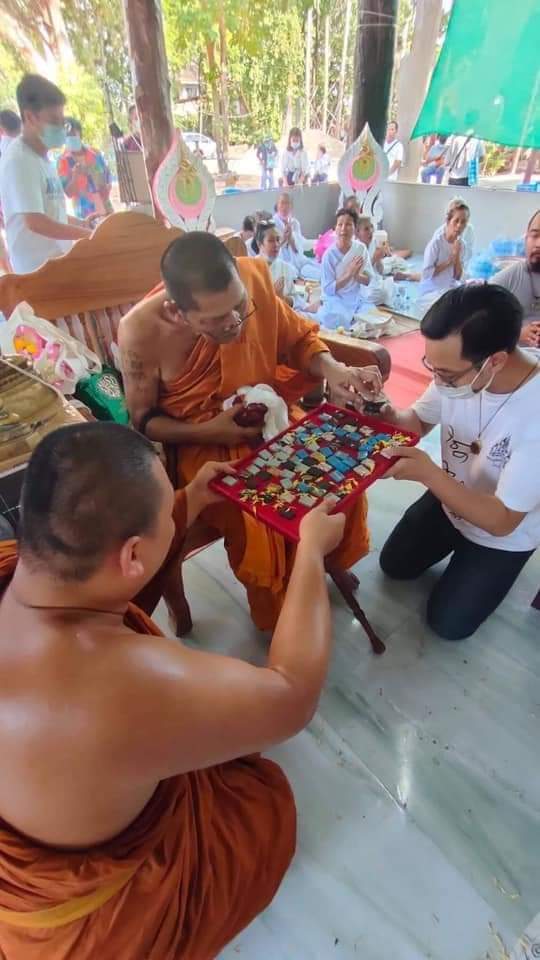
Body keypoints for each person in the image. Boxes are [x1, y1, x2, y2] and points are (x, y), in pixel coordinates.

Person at [0, 420, 348, 956]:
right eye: (168, 513)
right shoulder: (119, 687)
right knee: (258, 803)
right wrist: (309, 554)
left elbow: (119, 575)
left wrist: (189, 501)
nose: (175, 515)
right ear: (133, 555)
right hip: (101, 924)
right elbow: (291, 694)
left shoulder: (18, 572)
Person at [118, 232, 383, 632]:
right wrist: (213, 431)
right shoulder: (141, 331)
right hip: (200, 442)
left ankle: (328, 560)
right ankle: (282, 611)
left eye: (239, 307)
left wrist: (335, 370)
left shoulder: (252, 279)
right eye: (216, 321)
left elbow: (299, 339)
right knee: (260, 514)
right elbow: (142, 420)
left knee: (336, 470)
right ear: (177, 312)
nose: (235, 324)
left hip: (269, 416)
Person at [375, 284, 539, 641]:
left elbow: (502, 520)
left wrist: (428, 474)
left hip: (501, 533)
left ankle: (494, 569)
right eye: (431, 366)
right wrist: (380, 406)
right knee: (394, 565)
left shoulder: (535, 410)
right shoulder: (458, 373)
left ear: (495, 360)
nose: (437, 379)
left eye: (446, 374)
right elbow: (415, 423)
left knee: (447, 625)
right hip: (452, 498)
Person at [0, 74, 92, 275]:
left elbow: (52, 212)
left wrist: (84, 224)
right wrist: (90, 236)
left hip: (57, 265)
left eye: (62, 121)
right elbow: (36, 222)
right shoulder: (19, 160)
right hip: (38, 275)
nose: (61, 128)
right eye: (54, 121)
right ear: (31, 117)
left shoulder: (42, 157)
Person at [318, 208, 385, 329]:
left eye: (348, 224)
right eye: (340, 224)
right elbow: (328, 289)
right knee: (336, 320)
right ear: (336, 228)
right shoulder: (329, 255)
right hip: (337, 299)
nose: (344, 228)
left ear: (354, 229)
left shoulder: (360, 249)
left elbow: (369, 279)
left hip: (357, 299)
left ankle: (354, 319)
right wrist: (349, 274)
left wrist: (356, 276)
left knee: (375, 321)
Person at [491, 210, 540, 348]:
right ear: (526, 239)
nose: (538, 244)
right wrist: (517, 334)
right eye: (534, 235)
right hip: (514, 361)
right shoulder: (505, 280)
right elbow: (478, 326)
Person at [252, 219, 317, 313]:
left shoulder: (287, 268)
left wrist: (283, 298)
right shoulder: (250, 268)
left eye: (278, 239)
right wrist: (272, 297)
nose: (276, 244)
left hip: (284, 317)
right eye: (271, 240)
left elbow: (299, 297)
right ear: (259, 244)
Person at [57, 117, 113, 220]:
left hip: (107, 210)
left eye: (73, 134)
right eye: (67, 135)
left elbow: (108, 176)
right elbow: (68, 193)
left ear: (80, 134)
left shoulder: (95, 153)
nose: (70, 137)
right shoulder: (62, 161)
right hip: (86, 216)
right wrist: (75, 178)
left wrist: (108, 187)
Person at [419, 200, 470, 296]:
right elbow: (426, 274)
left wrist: (457, 256)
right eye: (456, 221)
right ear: (448, 221)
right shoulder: (436, 243)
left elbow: (457, 277)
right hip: (432, 289)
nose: (459, 225)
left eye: (463, 222)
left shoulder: (462, 245)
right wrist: (448, 262)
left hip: (450, 288)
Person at [273, 191, 320, 280]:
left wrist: (291, 238)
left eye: (287, 203)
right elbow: (273, 249)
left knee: (315, 269)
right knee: (292, 272)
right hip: (282, 262)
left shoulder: (295, 223)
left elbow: (297, 250)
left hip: (299, 261)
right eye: (282, 203)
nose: (284, 207)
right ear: (277, 205)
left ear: (291, 207)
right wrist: (284, 238)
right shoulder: (272, 224)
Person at [355, 215, 416, 280]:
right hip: (367, 281)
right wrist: (374, 259)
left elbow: (380, 271)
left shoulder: (374, 242)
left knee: (402, 256)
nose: (371, 231)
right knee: (393, 259)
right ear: (357, 232)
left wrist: (378, 259)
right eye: (366, 229)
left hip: (381, 269)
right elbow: (362, 275)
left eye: (371, 227)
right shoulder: (357, 248)